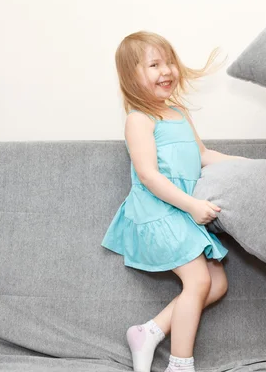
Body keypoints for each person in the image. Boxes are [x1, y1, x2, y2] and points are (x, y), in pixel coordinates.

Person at [102, 31, 239, 372]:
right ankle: (180, 365)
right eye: (153, 64)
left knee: (217, 283)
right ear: (132, 76)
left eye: (169, 62)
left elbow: (204, 155)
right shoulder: (139, 119)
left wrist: (248, 165)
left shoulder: (177, 111)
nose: (166, 70)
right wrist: (192, 206)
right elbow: (148, 175)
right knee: (198, 280)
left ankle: (149, 331)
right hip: (157, 210)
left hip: (180, 211)